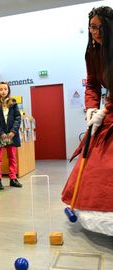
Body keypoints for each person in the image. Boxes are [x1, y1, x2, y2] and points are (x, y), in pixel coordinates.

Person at [61, 6, 113, 236]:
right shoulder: (92, 52)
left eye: (99, 27)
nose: (95, 32)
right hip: (110, 104)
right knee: (95, 153)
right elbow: (92, 82)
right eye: (92, 27)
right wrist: (92, 107)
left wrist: (106, 109)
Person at [0, 82, 22, 190]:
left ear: (8, 90)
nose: (3, 91)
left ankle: (13, 179)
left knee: (12, 157)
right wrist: (0, 133)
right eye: (1, 89)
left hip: (11, 135)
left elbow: (18, 118)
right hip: (0, 136)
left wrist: (13, 131)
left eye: (5, 89)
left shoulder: (13, 102)